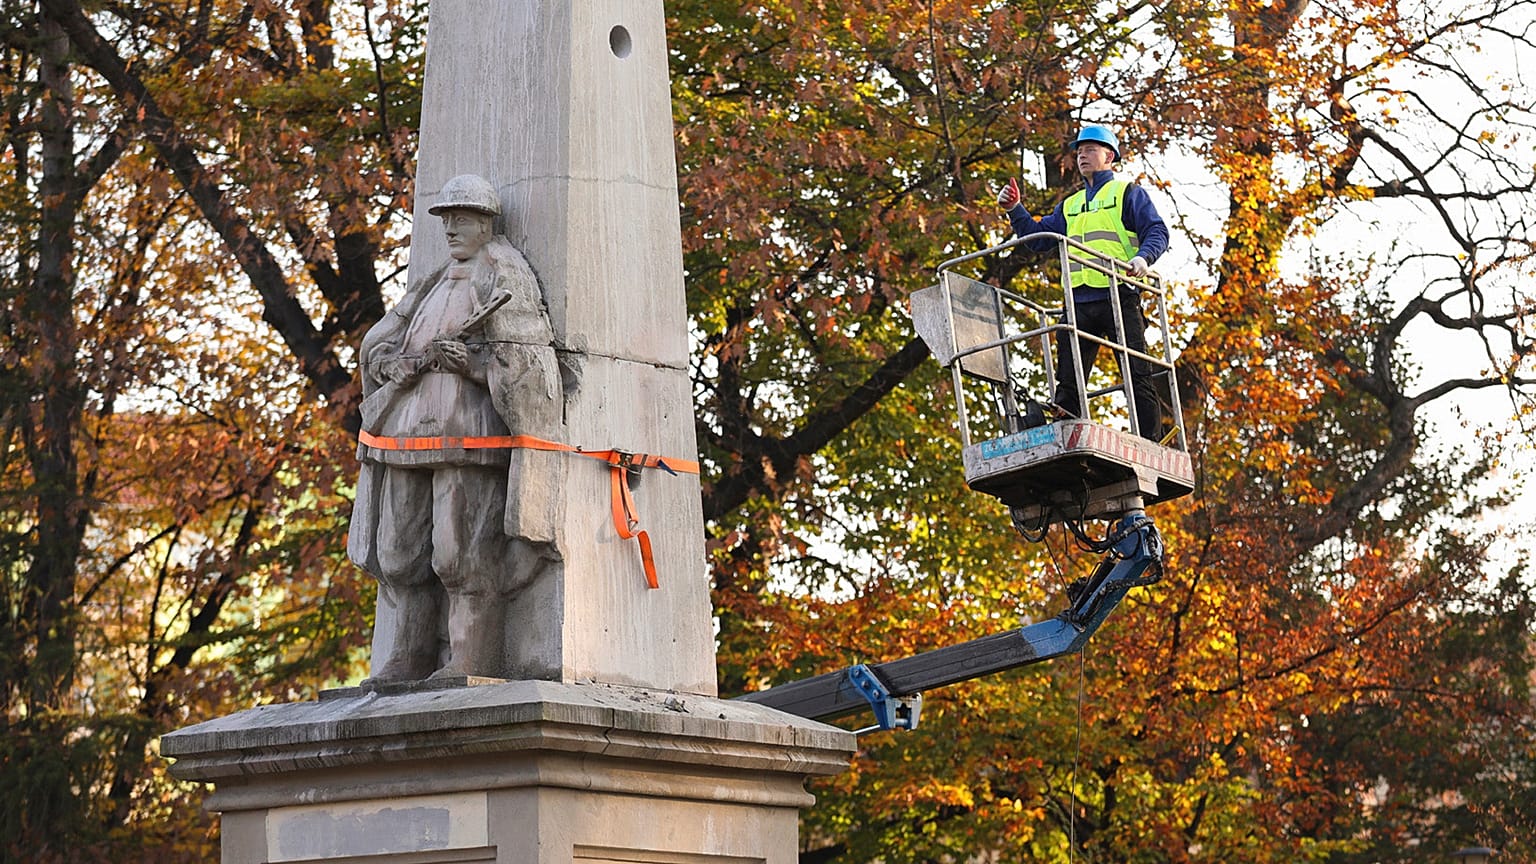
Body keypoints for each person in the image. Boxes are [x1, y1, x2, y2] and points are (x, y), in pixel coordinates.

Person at [348, 173, 563, 682]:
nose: (450, 230)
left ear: (487, 224)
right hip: (404, 434)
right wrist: (390, 364)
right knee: (398, 550)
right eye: (446, 219)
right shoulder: (432, 279)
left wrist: (469, 363)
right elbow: (384, 342)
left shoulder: (503, 274)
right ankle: (408, 654)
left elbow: (527, 364)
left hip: (470, 435)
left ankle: (469, 656)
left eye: (461, 219)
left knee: (458, 551)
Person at [996, 125, 1170, 441]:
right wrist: (1015, 210)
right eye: (1079, 151)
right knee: (1069, 381)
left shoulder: (1127, 193)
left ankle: (1150, 440)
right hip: (1079, 301)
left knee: (1136, 372)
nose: (1082, 156)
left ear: (1110, 156)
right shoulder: (1071, 204)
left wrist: (1143, 259)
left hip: (1119, 293)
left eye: (1090, 149)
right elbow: (1038, 239)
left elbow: (1157, 232)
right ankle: (1065, 432)